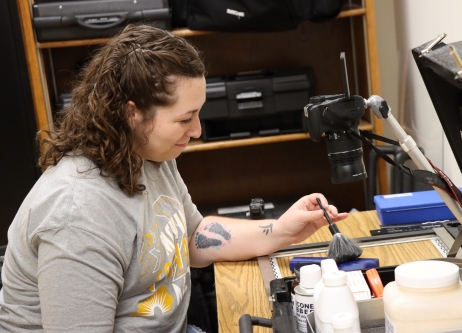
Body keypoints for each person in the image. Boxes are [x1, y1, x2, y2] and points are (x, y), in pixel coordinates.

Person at [0, 24, 348, 332]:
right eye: (185, 119)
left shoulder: (148, 153)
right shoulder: (77, 217)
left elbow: (192, 237)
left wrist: (282, 229)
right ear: (132, 114)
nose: (196, 131)